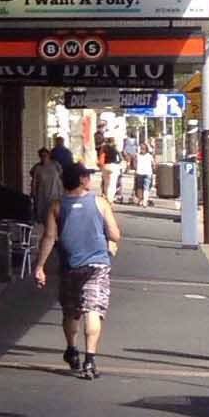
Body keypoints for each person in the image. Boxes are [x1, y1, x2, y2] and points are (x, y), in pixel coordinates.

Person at [33, 155, 120, 377]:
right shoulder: (100, 202)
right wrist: (107, 239)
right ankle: (90, 360)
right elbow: (115, 234)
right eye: (88, 175)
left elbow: (49, 238)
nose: (90, 178)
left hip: (69, 266)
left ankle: (72, 350)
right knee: (93, 309)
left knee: (71, 312)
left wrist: (39, 266)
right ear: (81, 180)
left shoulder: (57, 206)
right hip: (97, 265)